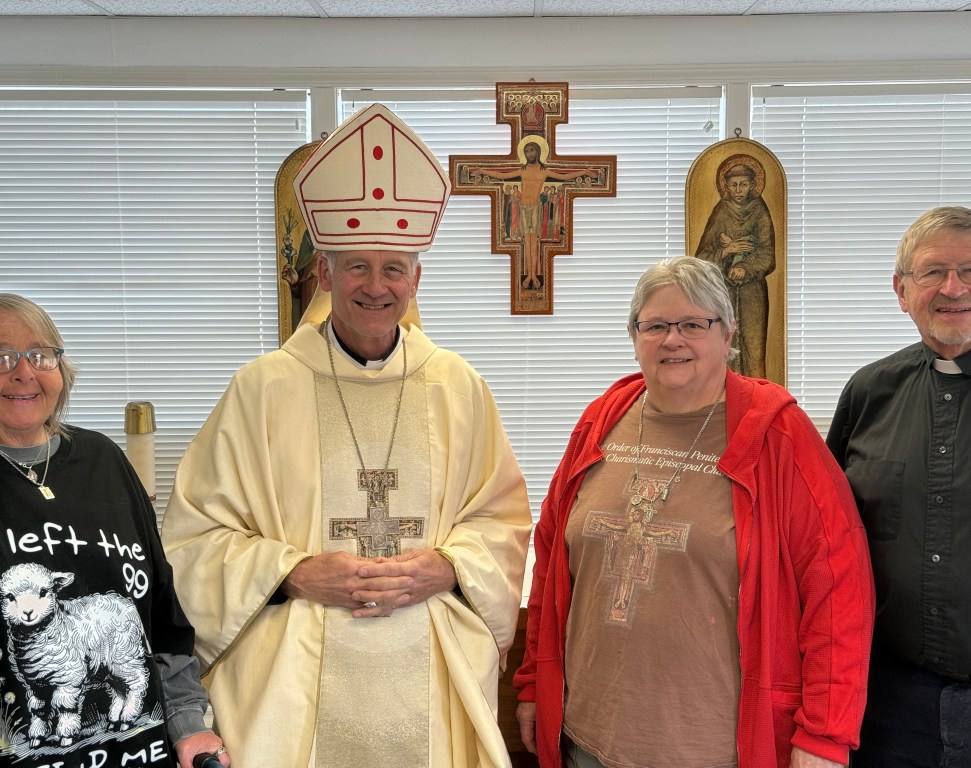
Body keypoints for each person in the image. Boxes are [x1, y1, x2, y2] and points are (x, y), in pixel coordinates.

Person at [161, 104, 532, 768]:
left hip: (428, 662)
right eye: (356, 266)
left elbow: (500, 520)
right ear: (325, 276)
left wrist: (448, 567)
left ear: (416, 280)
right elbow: (195, 539)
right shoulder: (263, 388)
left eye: (394, 268)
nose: (376, 286)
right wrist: (294, 573)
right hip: (295, 669)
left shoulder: (458, 386)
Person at [514, 255, 874, 768]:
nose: (672, 339)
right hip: (589, 738)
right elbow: (551, 557)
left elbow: (838, 587)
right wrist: (534, 680)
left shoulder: (777, 434)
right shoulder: (602, 420)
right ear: (634, 335)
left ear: (728, 334)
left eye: (693, 324)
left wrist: (824, 734)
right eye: (655, 325)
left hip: (718, 749)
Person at [827, 206, 971, 767]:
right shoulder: (868, 392)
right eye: (932, 272)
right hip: (883, 705)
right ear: (902, 289)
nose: (952, 288)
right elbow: (825, 536)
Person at [0, 293, 225, 768]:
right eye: (1, 356)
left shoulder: (103, 460)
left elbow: (161, 613)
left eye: (40, 355)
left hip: (141, 755)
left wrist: (187, 723)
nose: (23, 372)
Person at [472, 138, 601, 290]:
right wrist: (482, 171)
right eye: (526, 151)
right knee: (527, 243)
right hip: (523, 208)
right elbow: (502, 175)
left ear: (538, 152)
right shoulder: (522, 170)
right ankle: (529, 275)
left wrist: (585, 172)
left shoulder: (544, 171)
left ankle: (533, 275)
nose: (529, 154)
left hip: (536, 208)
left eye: (532, 150)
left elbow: (564, 176)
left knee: (534, 244)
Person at [695, 160, 776, 379]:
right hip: (723, 291)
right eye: (734, 185)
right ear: (726, 186)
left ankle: (757, 393)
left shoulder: (759, 212)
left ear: (753, 185)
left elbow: (768, 255)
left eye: (744, 184)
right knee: (724, 346)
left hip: (753, 293)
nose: (739, 190)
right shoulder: (721, 212)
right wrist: (727, 250)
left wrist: (744, 267)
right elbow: (701, 258)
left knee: (753, 348)